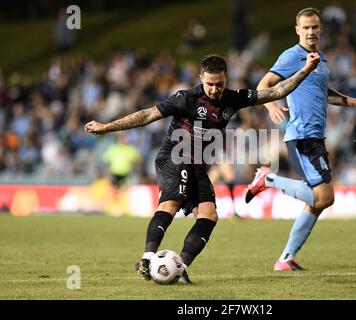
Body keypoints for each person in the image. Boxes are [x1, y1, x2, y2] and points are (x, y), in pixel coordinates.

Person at [85, 53, 321, 283]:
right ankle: (147, 258)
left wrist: (306, 70)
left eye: (219, 84)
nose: (214, 89)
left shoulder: (232, 98)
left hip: (198, 163)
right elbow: (148, 115)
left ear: (225, 79)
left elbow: (275, 91)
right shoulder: (186, 98)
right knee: (172, 202)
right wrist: (107, 127)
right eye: (209, 84)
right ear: (201, 78)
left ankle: (181, 267)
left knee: (209, 215)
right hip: (174, 156)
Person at [244, 7, 356, 271]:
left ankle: (285, 259)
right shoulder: (292, 56)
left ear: (321, 29)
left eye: (315, 27)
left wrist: (353, 102)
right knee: (324, 197)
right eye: (306, 28)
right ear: (298, 30)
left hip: (315, 136)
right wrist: (270, 107)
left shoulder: (320, 58)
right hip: (301, 136)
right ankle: (267, 179)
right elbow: (263, 85)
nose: (311, 32)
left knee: (316, 203)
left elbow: (324, 93)